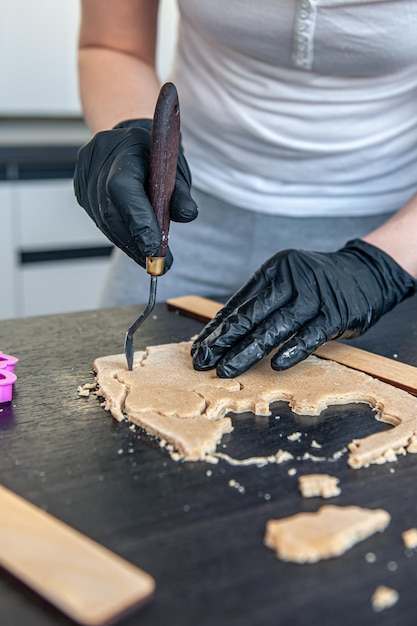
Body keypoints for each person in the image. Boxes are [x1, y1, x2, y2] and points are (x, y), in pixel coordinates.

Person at [74, 0, 417, 379]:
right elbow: (114, 46)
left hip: (388, 231)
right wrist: (128, 129)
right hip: (185, 209)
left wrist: (381, 267)